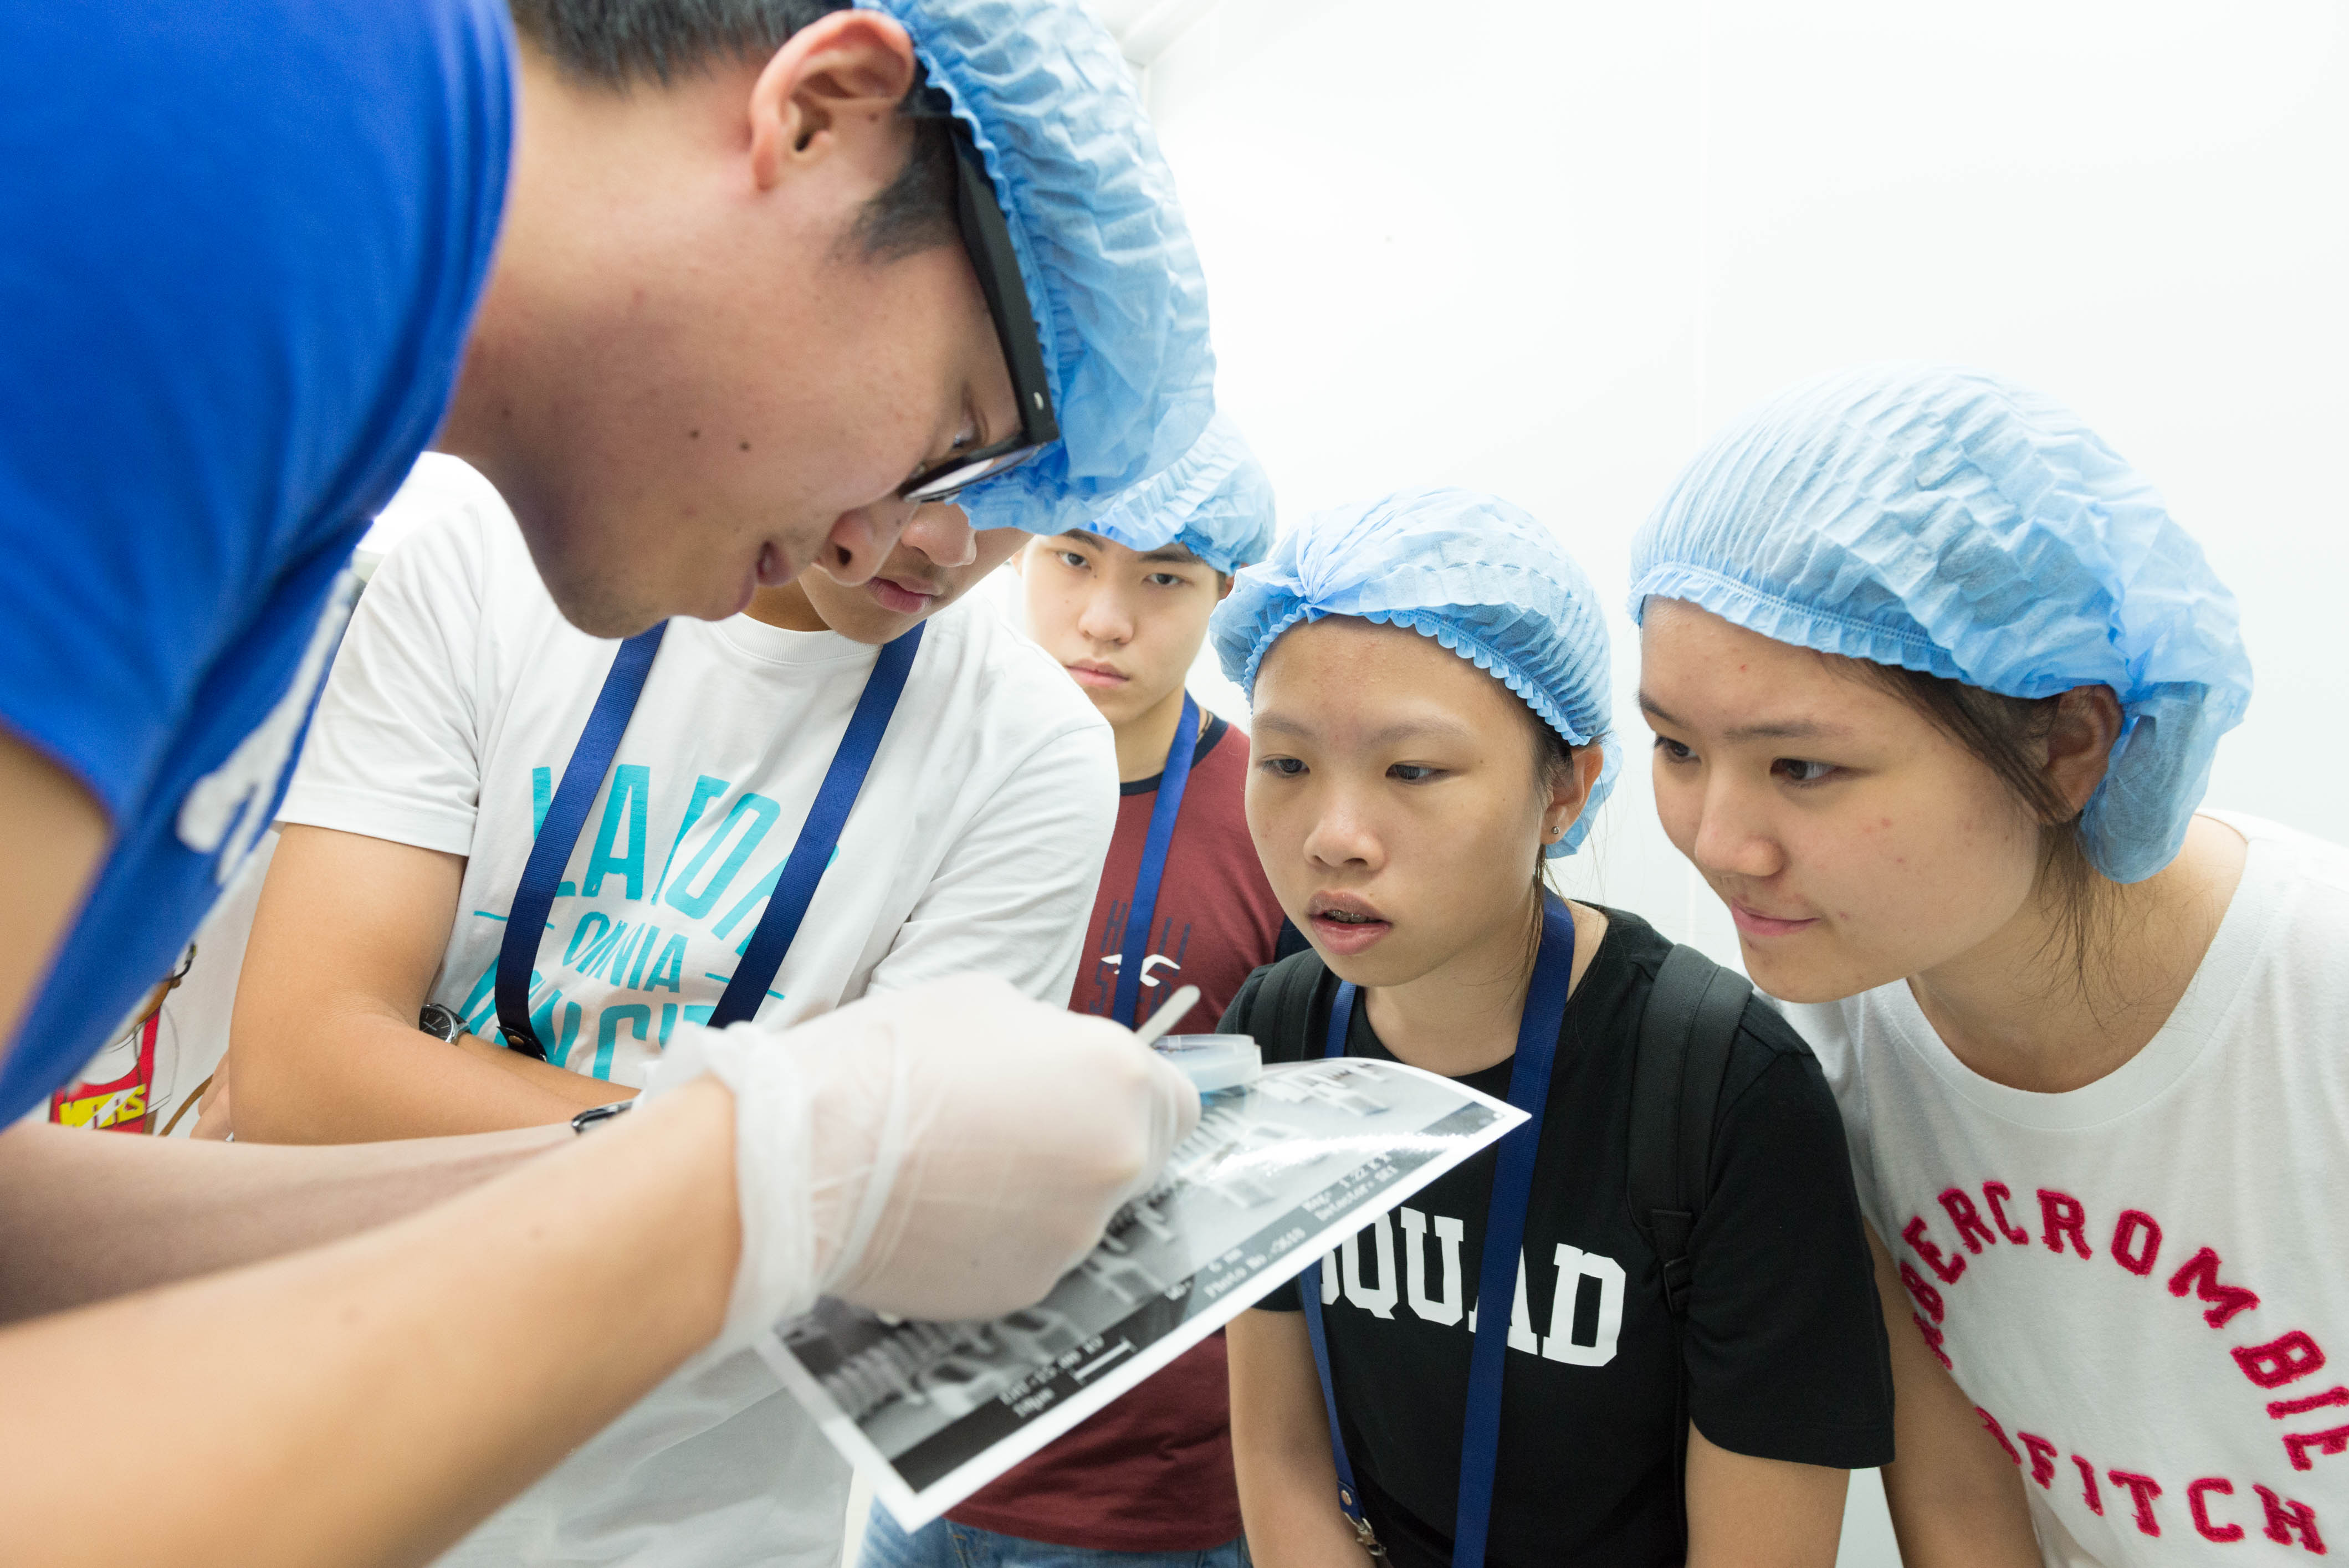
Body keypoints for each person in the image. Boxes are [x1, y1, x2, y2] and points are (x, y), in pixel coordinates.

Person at [0, 1, 1212, 1561]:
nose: (879, 541)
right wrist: (750, 1175)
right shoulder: (248, 136)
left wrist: (788, 1151)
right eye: (949, 440)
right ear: (822, 111)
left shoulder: (335, 332)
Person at [222, 464, 1108, 1563]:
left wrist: (426, 1070)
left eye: (1028, 488)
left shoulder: (1030, 747)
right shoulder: (491, 570)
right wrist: (774, 1156)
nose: (942, 540)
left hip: (696, 1517)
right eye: (935, 463)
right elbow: (300, 1073)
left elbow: (883, 1233)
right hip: (325, 1442)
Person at [1631, 363, 2342, 1567]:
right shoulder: (1822, 1052)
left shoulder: (2312, 1011)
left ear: (2066, 743)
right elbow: (1962, 1500)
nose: (1716, 842)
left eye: (1801, 767)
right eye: (1674, 746)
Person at [1210, 489, 1895, 1568]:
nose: (1332, 837)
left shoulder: (1723, 1092)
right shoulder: (1280, 1027)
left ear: (1563, 789)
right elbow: (1280, 1458)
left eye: (1412, 770)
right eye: (1286, 762)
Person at [863, 416, 1286, 1568]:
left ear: (1222, 594)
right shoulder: (924, 773)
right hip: (914, 1440)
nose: (1105, 616)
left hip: (1145, 1485)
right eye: (1072, 558)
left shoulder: (1274, 821)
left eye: (1163, 577)